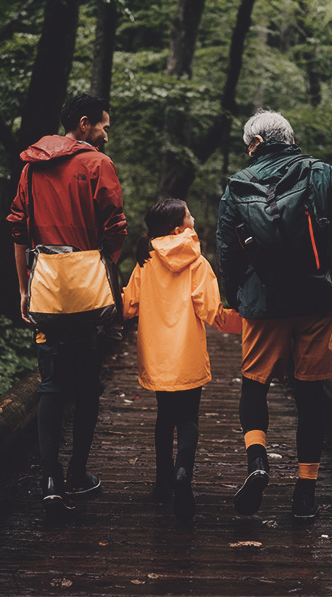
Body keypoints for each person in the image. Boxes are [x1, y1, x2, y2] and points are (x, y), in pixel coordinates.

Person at [216, 109, 332, 520]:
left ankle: (258, 462)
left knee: (254, 384)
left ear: (258, 143)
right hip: (319, 300)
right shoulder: (322, 174)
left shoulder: (236, 186)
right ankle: (305, 493)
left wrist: (237, 298)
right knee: (311, 394)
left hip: (264, 304)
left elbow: (227, 253)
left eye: (249, 144)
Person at [7, 93, 127, 517]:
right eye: (103, 126)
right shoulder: (97, 164)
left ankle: (50, 479)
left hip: (46, 291)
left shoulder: (32, 166)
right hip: (88, 294)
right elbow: (115, 226)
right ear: (83, 124)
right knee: (87, 383)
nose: (106, 134)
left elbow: (19, 231)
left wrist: (24, 289)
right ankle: (77, 473)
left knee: (52, 383)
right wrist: (102, 266)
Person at [122, 199, 241, 522]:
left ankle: (163, 484)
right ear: (179, 228)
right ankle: (183, 473)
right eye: (189, 215)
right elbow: (212, 312)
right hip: (187, 354)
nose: (193, 218)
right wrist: (248, 321)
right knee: (188, 419)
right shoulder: (197, 263)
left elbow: (128, 305)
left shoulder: (145, 262)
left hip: (158, 357)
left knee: (165, 417)